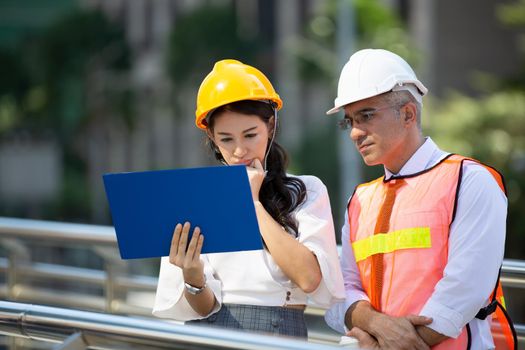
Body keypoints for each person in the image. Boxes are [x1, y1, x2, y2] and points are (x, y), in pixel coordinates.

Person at [324, 49, 516, 349]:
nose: (355, 133)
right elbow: (341, 293)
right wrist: (376, 325)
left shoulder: (471, 180)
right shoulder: (359, 200)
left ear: (408, 114)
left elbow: (465, 290)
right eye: (350, 121)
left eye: (367, 116)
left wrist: (389, 345)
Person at [152, 59, 345, 338]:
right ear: (211, 137)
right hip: (208, 336)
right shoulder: (194, 198)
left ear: (271, 126)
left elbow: (309, 278)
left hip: (277, 334)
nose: (240, 150)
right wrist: (192, 276)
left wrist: (252, 202)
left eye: (250, 135)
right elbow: (203, 309)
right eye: (226, 139)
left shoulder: (305, 190)